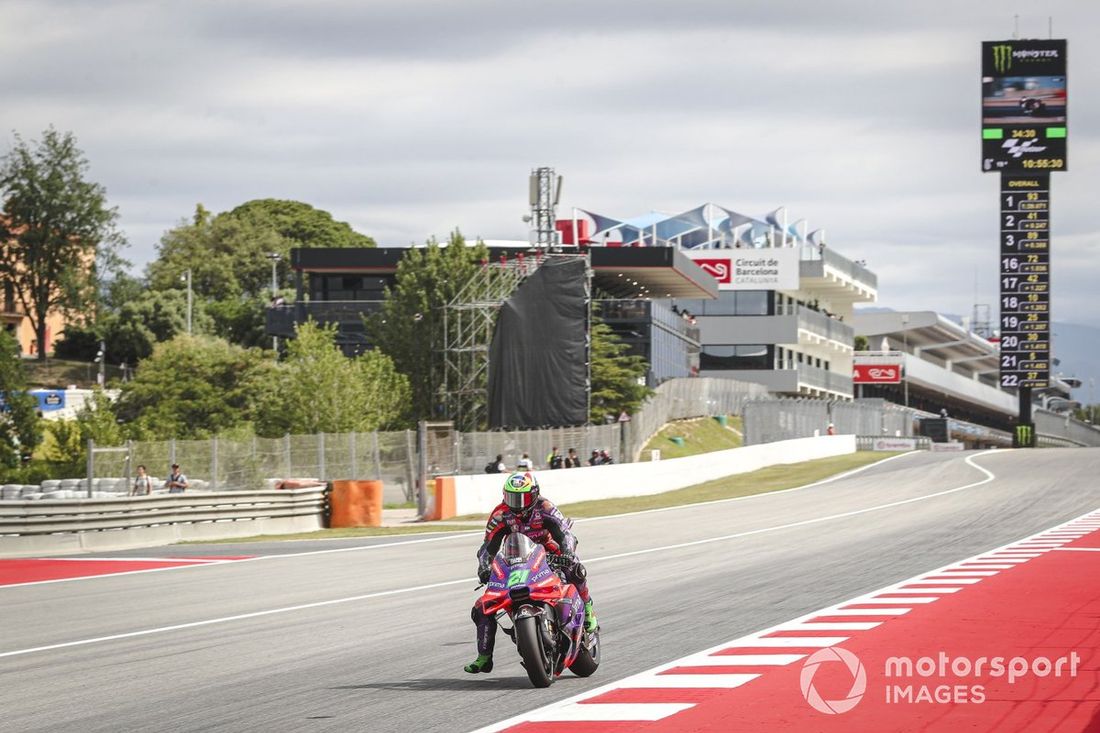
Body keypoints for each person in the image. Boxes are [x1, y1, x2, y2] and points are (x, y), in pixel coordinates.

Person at [464, 472, 598, 674]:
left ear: (534, 494)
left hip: (550, 554)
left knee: (576, 570)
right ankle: (484, 657)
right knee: (483, 606)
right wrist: (484, 567)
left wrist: (567, 553)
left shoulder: (545, 508)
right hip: (518, 559)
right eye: (512, 497)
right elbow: (487, 547)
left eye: (523, 498)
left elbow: (565, 533)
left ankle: (588, 612)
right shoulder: (500, 514)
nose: (517, 503)